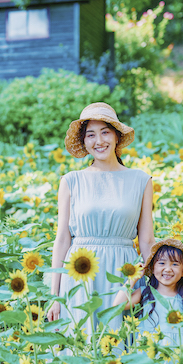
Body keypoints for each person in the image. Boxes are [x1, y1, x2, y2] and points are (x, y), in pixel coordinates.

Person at [46, 102, 155, 338]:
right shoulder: (71, 181)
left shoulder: (141, 180)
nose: (99, 141)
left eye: (105, 132)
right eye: (91, 135)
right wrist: (55, 296)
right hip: (80, 273)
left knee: (120, 348)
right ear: (84, 142)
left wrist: (157, 288)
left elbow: (146, 241)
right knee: (81, 348)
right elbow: (62, 240)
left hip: (123, 274)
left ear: (116, 137)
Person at [112, 238, 183, 347]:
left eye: (175, 264)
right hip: (149, 356)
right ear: (153, 267)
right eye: (162, 263)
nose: (168, 269)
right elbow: (118, 305)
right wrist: (133, 277)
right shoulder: (145, 292)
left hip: (179, 356)